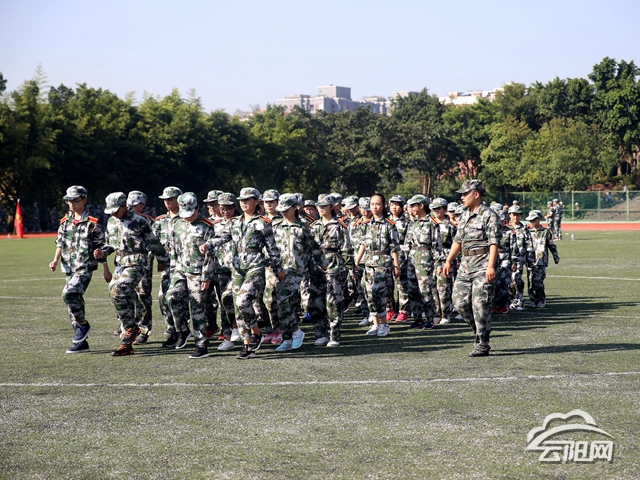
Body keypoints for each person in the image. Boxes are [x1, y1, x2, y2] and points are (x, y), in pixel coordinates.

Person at [200, 187, 284, 359]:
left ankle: (256, 333)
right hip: (238, 268)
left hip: (255, 266)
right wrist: (208, 244)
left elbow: (272, 249)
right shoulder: (234, 222)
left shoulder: (263, 222)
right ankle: (247, 345)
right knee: (238, 308)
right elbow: (222, 237)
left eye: (248, 200)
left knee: (242, 300)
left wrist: (278, 269)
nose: (244, 203)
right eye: (242, 200)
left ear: (256, 201)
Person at [94, 192, 168, 356]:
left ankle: (132, 328)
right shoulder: (111, 221)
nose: (113, 213)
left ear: (124, 206)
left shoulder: (139, 221)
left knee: (119, 289)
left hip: (137, 262)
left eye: (115, 210)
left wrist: (163, 261)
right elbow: (111, 245)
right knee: (113, 293)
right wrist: (103, 252)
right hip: (120, 262)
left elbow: (153, 242)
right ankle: (128, 340)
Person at [443, 179, 500, 357]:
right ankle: (481, 329)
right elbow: (458, 240)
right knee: (459, 303)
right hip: (465, 265)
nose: (462, 197)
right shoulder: (465, 215)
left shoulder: (489, 215)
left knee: (480, 303)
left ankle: (482, 343)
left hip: (483, 265)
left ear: (476, 194)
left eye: (465, 194)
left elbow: (494, 243)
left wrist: (491, 266)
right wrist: (448, 260)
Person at [50, 186, 105, 354]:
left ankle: (83, 325)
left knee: (68, 293)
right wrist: (55, 259)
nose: (71, 204)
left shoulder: (92, 224)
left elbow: (102, 247)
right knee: (74, 303)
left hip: (84, 266)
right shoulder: (64, 222)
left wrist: (106, 268)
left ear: (84, 200)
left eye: (75, 200)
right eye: (69, 201)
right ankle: (82, 342)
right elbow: (60, 243)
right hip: (68, 266)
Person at [272, 194, 328, 351]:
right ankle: (287, 338)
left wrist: (324, 264)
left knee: (283, 300)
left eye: (286, 209)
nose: (283, 212)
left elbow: (314, 248)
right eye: (281, 209)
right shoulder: (276, 226)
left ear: (294, 208)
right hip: (279, 270)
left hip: (296, 270)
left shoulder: (303, 227)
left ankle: (296, 332)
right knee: (281, 304)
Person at [165, 193, 215, 358]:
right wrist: (173, 269)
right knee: (171, 297)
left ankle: (201, 344)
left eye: (191, 213)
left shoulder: (206, 226)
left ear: (198, 208)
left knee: (197, 308)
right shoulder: (177, 224)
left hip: (198, 272)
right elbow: (174, 248)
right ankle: (183, 330)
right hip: (180, 269)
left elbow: (211, 254)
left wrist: (206, 276)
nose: (188, 217)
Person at [354, 194, 400, 337]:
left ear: (384, 205)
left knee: (378, 293)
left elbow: (394, 247)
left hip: (383, 262)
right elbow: (363, 244)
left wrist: (396, 265)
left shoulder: (389, 224)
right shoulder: (366, 224)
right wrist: (357, 261)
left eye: (378, 204)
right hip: (368, 263)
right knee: (369, 295)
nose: (374, 207)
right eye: (372, 204)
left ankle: (384, 324)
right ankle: (375, 324)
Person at [311, 194, 351, 346]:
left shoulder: (339, 225)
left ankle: (334, 334)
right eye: (319, 206)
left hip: (334, 264)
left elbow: (346, 249)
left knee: (333, 301)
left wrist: (348, 268)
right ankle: (320, 333)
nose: (321, 209)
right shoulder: (314, 226)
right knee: (316, 301)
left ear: (332, 207)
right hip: (316, 266)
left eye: (324, 206)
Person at [209, 193, 241, 351]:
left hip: (239, 268)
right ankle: (228, 334)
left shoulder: (241, 222)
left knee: (241, 300)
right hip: (221, 268)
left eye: (229, 208)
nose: (226, 211)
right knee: (224, 301)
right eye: (222, 208)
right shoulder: (215, 225)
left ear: (234, 207)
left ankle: (246, 329)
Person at [405, 195, 442, 330]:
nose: (411, 208)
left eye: (413, 205)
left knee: (425, 290)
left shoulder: (432, 223)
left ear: (421, 206)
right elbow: (407, 243)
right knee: (412, 290)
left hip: (425, 258)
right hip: (412, 258)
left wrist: (438, 264)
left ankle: (429, 319)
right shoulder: (412, 223)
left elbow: (437, 246)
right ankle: (417, 318)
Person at [152, 186, 183, 341]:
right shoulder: (160, 221)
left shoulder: (186, 219)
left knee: (180, 299)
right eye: (165, 200)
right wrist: (159, 260)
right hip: (167, 266)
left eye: (170, 199)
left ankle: (184, 329)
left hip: (184, 266)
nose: (167, 202)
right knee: (163, 298)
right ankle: (172, 329)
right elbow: (153, 242)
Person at [125, 191, 155, 344]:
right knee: (126, 294)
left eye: (135, 205)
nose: (130, 207)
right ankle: (128, 325)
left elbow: (154, 242)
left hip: (143, 262)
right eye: (129, 204)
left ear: (142, 205)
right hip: (125, 263)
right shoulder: (120, 219)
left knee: (143, 295)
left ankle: (144, 329)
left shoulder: (147, 221)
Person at [526, 210, 560, 308]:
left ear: (539, 219)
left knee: (538, 281)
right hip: (530, 261)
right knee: (530, 282)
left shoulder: (545, 232)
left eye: (533, 220)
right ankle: (533, 299)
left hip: (541, 261)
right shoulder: (528, 232)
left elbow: (551, 245)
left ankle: (541, 299)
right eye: (530, 220)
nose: (531, 222)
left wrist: (555, 256)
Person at [430, 198, 456, 324]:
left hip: (445, 258)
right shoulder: (429, 224)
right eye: (434, 209)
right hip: (430, 258)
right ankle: (436, 312)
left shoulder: (450, 226)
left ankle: (445, 314)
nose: (436, 211)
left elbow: (456, 245)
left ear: (445, 210)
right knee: (432, 287)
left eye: (438, 208)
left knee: (444, 287)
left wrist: (453, 261)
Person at [507, 205, 533, 311]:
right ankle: (511, 299)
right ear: (509, 215)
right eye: (514, 214)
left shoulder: (524, 229)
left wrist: (530, 259)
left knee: (516, 278)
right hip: (506, 258)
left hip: (519, 258)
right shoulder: (506, 228)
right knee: (508, 280)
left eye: (518, 215)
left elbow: (529, 244)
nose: (516, 217)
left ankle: (520, 299)